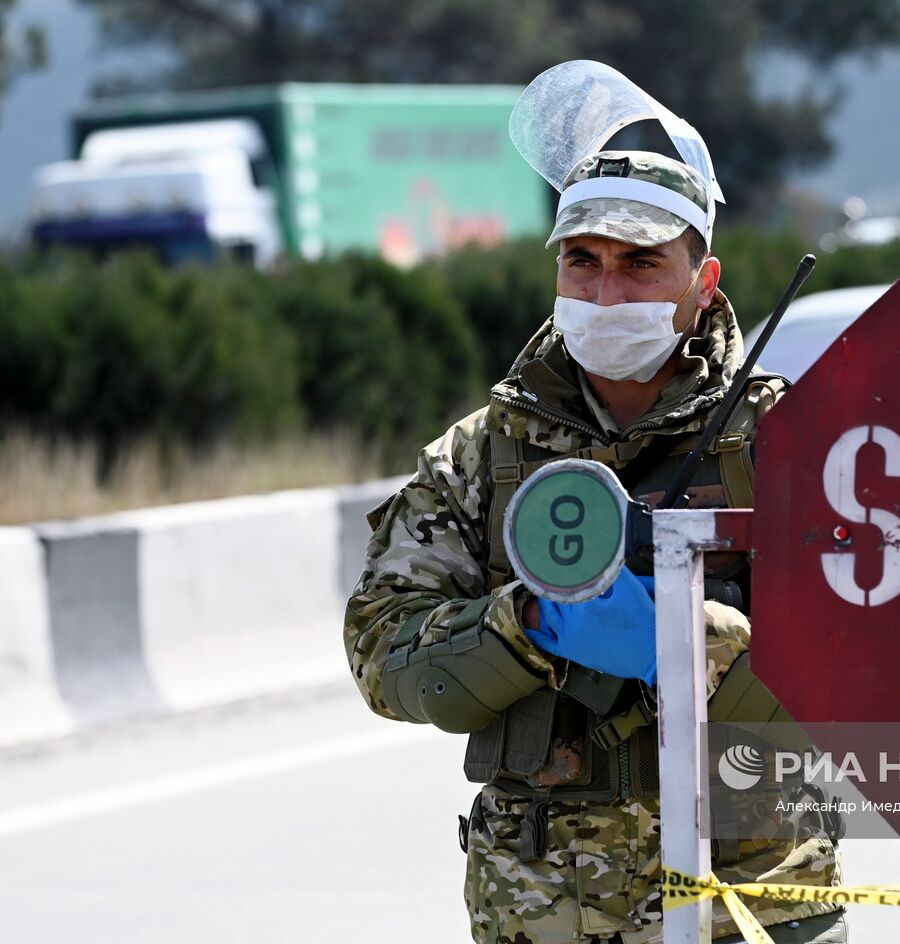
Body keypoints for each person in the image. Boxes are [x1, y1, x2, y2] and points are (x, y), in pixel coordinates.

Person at [344, 149, 845, 944]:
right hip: (543, 914)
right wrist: (528, 624)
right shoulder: (479, 459)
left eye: (641, 264)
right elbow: (382, 652)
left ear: (702, 281)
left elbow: (867, 676)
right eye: (584, 262)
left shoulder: (790, 445)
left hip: (749, 904)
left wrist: (684, 647)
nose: (606, 294)